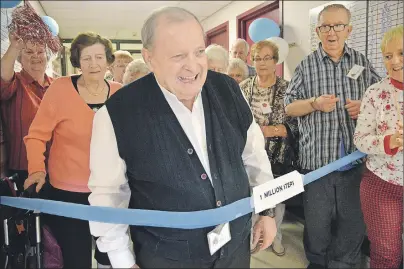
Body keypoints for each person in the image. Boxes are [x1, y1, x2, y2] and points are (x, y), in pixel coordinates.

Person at [88, 6, 277, 269]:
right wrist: (122, 261)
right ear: (149, 57)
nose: (193, 65)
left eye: (199, 52)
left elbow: (254, 157)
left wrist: (266, 211)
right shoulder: (116, 114)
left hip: (235, 251)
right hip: (167, 259)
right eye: (178, 55)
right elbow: (108, 196)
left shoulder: (230, 91)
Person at [284, 4, 381, 269]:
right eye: (326, 26)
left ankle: (344, 263)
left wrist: (364, 106)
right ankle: (317, 263)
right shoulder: (306, 65)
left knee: (352, 223)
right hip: (317, 164)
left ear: (348, 29)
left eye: (338, 26)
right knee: (317, 225)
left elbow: (383, 101)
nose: (332, 32)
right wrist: (314, 103)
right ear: (318, 31)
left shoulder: (362, 62)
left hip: (355, 162)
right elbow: (289, 107)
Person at [23, 32, 122, 268]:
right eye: (86, 58)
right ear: (77, 61)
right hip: (68, 191)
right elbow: (36, 135)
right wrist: (37, 170)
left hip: (110, 190)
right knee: (75, 259)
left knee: (112, 256)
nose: (93, 64)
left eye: (99, 57)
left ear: (108, 61)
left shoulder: (120, 92)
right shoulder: (60, 89)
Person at [240, 40, 298, 257]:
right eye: (257, 58)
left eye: (267, 58)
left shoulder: (287, 88)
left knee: (278, 199)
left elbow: (295, 125)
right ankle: (253, 236)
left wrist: (268, 131)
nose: (262, 63)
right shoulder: (244, 87)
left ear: (275, 61)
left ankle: (276, 236)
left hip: (280, 154)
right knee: (252, 197)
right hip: (248, 156)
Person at [354, 25, 403, 269]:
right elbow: (360, 139)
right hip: (382, 184)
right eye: (388, 55)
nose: (395, 61)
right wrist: (388, 141)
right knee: (386, 254)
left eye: (402, 53)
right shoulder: (375, 92)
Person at [0, 33, 53, 191]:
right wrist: (14, 46)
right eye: (29, 52)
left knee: (53, 214)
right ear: (19, 58)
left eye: (40, 51)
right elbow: (3, 73)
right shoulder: (14, 82)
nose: (35, 56)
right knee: (26, 213)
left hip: (56, 166)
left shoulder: (57, 86)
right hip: (23, 167)